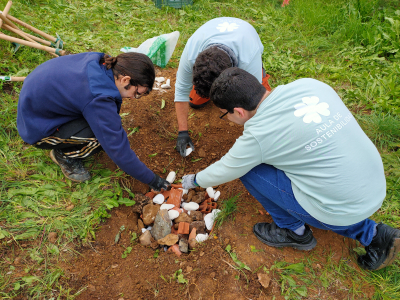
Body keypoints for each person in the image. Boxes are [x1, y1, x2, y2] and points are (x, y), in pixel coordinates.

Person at [182, 67, 400, 270]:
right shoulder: (309, 85)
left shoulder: (259, 135)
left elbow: (227, 168)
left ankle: (294, 231)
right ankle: (372, 232)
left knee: (248, 170)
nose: (227, 119)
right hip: (373, 184)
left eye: (224, 114)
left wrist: (193, 180)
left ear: (238, 112)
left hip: (341, 206)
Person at [17, 52, 170, 191]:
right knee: (100, 138)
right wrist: (152, 179)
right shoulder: (98, 98)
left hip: (37, 104)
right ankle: (64, 155)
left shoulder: (101, 61)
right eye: (136, 93)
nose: (132, 98)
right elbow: (118, 150)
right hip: (36, 127)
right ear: (125, 79)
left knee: (104, 124)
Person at [174, 17, 272, 157]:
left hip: (244, 43)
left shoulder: (248, 60)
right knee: (195, 101)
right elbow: (181, 90)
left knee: (258, 102)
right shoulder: (191, 52)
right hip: (215, 39)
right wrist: (182, 131)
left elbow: (254, 100)